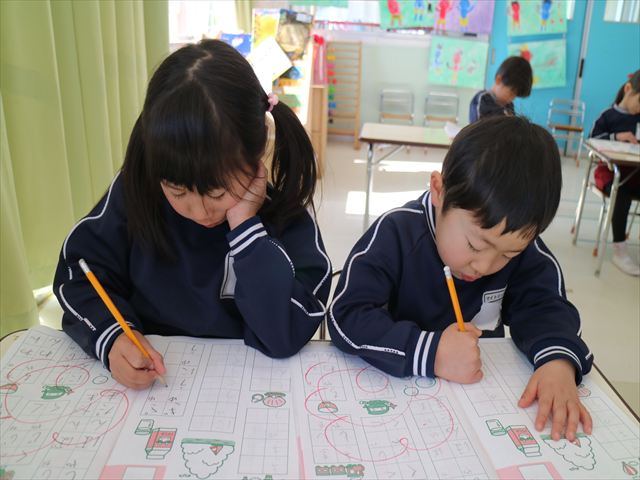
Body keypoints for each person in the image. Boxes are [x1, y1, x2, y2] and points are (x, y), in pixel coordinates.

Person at [53, 39, 331, 389]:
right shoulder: (137, 191)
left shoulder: (284, 217)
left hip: (246, 389)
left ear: (257, 152)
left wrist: (246, 229)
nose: (199, 211)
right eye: (177, 191)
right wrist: (112, 338)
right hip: (155, 387)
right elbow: (79, 274)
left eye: (216, 193)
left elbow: (285, 334)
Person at [328, 116, 593, 442]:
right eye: (475, 245)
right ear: (439, 191)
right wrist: (431, 352)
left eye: (508, 255)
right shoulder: (396, 233)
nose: (485, 265)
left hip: (479, 407)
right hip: (396, 402)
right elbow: (346, 315)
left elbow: (545, 306)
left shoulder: (522, 249)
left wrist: (558, 361)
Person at [590, 70, 640, 276]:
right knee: (621, 193)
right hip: (610, 174)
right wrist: (616, 137)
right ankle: (620, 250)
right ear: (628, 89)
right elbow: (592, 140)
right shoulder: (607, 116)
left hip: (636, 174)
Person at [469, 56, 532, 123]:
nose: (512, 99)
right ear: (498, 79)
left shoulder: (509, 105)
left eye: (515, 95)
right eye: (511, 93)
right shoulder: (483, 99)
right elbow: (480, 126)